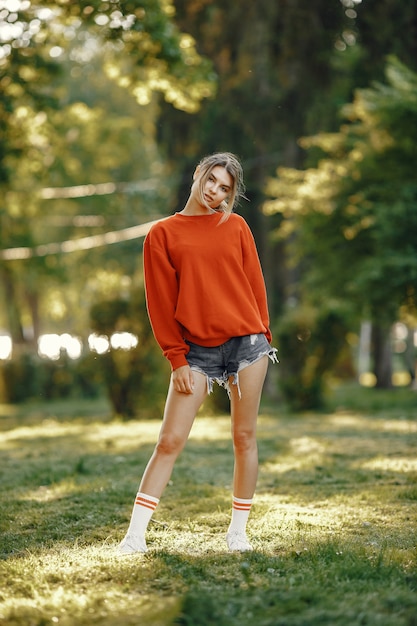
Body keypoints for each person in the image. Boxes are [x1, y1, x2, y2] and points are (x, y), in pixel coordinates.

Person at [119, 152, 277, 554]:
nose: (215, 191)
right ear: (198, 175)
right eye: (211, 180)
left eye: (225, 187)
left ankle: (237, 532)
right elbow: (159, 302)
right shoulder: (162, 234)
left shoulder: (237, 227)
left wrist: (263, 336)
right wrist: (177, 359)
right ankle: (134, 536)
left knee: (244, 436)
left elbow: (256, 288)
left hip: (247, 345)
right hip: (197, 352)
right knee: (169, 440)